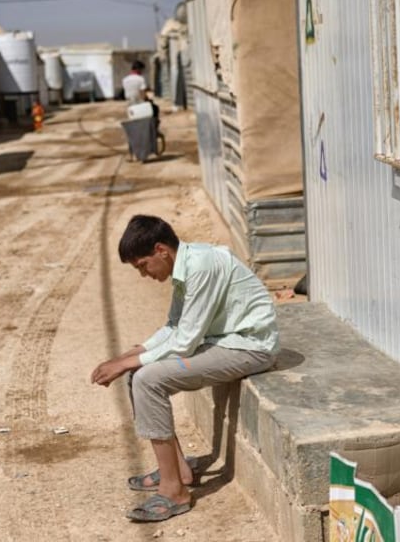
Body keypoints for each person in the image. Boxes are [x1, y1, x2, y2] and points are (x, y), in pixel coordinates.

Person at [90, 215, 279, 523]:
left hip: (249, 346)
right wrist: (129, 356)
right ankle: (178, 471)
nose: (143, 275)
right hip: (222, 341)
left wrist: (127, 362)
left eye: (142, 265)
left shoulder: (202, 266)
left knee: (148, 379)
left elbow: (186, 341)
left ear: (161, 250)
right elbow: (174, 327)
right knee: (139, 372)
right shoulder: (185, 266)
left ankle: (174, 492)